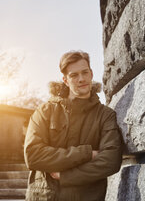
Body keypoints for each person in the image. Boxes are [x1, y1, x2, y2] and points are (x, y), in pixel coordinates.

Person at [24, 51, 123, 200]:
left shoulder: (105, 115)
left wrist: (66, 176)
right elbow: (33, 156)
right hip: (44, 196)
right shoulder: (45, 111)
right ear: (65, 80)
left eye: (85, 72)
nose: (81, 79)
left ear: (91, 73)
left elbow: (111, 160)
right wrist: (87, 153)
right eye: (74, 75)